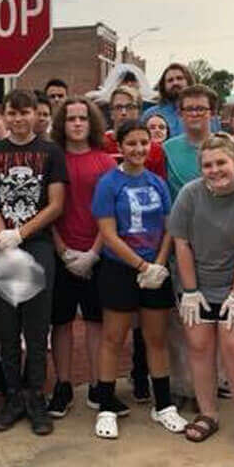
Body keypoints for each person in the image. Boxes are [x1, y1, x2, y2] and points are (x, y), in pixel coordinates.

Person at [168, 133, 234, 448]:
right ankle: (208, 413)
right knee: (199, 348)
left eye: (221, 163)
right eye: (207, 165)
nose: (215, 170)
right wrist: (190, 290)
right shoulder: (189, 194)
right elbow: (181, 243)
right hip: (196, 284)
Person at [89, 121, 188, 439]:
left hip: (155, 269)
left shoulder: (157, 183)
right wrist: (141, 266)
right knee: (113, 338)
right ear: (120, 145)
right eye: (131, 143)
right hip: (121, 269)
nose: (138, 149)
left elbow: (169, 226)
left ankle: (163, 405)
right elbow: (107, 233)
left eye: (143, 143)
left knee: (155, 339)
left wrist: (158, 264)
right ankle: (106, 406)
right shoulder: (109, 183)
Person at [0, 89, 67, 436]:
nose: (18, 120)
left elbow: (56, 203)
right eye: (11, 114)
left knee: (36, 326)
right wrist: (3, 235)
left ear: (36, 114)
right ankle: (12, 395)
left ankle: (36, 397)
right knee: (6, 324)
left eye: (24, 113)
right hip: (2, 246)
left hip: (39, 245)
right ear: (5, 116)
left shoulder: (50, 152)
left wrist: (23, 233)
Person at [46, 98, 114, 418]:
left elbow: (110, 214)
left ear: (91, 123)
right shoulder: (52, 159)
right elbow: (49, 210)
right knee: (60, 323)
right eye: (71, 118)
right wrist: (62, 251)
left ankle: (99, 384)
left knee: (94, 322)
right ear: (62, 124)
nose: (76, 123)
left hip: (95, 254)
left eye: (82, 118)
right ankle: (62, 385)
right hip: (61, 253)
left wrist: (93, 253)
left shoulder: (104, 162)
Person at [164, 85, 219, 199]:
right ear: (180, 114)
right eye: (189, 109)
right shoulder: (167, 149)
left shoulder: (227, 147)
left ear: (212, 113)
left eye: (200, 109)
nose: (194, 114)